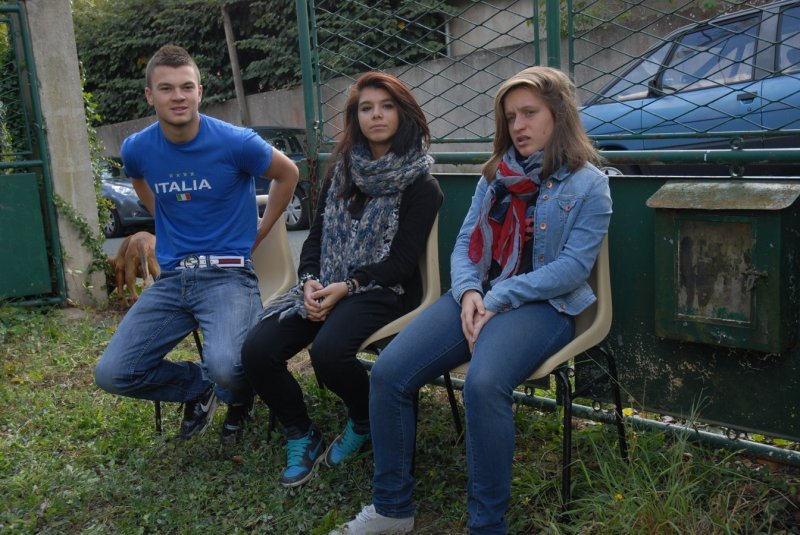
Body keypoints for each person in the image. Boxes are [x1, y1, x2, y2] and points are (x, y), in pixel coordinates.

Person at [333, 66, 612, 534]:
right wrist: (467, 293)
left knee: (483, 385)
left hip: (545, 306)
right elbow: (465, 246)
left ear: (559, 114)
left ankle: (486, 525)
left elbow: (571, 269)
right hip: (478, 296)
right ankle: (392, 510)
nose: (518, 126)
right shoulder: (494, 176)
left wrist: (498, 296)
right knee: (389, 373)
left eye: (529, 113)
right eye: (511, 116)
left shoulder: (588, 184)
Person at [241, 71, 442, 488]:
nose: (376, 115)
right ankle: (300, 431)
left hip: (385, 290)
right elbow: (315, 239)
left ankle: (365, 421)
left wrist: (347, 287)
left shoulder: (422, 185)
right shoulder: (341, 172)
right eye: (366, 108)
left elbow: (402, 264)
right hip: (327, 283)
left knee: (329, 354)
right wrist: (310, 280)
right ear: (355, 118)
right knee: (258, 350)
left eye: (387, 106)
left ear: (404, 114)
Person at [94, 45, 299, 445]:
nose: (178, 96)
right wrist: (162, 215)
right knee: (113, 373)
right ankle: (200, 388)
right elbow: (138, 178)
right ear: (150, 95)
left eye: (187, 87)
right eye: (166, 88)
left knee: (228, 366)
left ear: (200, 92)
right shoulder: (138, 147)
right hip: (172, 279)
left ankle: (236, 393)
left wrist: (261, 230)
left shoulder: (236, 142)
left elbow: (287, 173)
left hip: (228, 276)